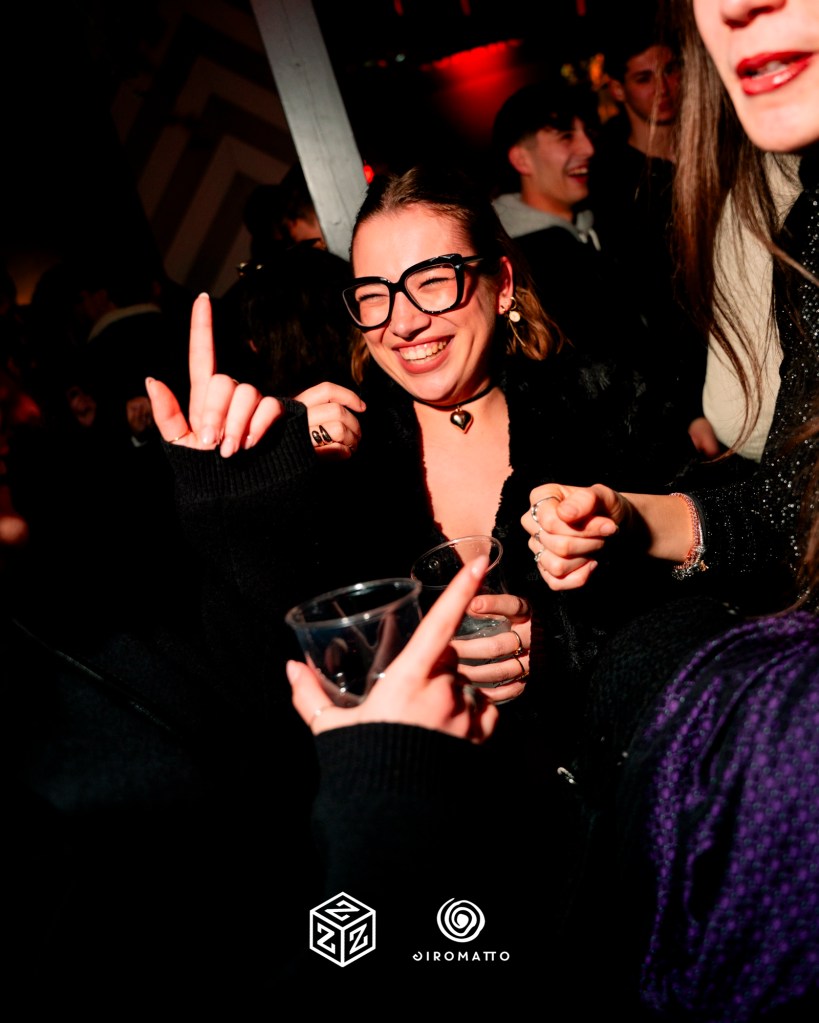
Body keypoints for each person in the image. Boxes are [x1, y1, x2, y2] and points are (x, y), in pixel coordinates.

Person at [524, 0, 819, 617]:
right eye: (643, 76)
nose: (736, 5)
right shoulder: (617, 192)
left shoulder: (754, 172)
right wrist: (630, 514)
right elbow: (785, 508)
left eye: (671, 69)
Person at [491, 77, 705, 445]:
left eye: (587, 133)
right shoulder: (519, 268)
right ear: (521, 159)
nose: (588, 148)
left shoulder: (606, 223)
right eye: (566, 137)